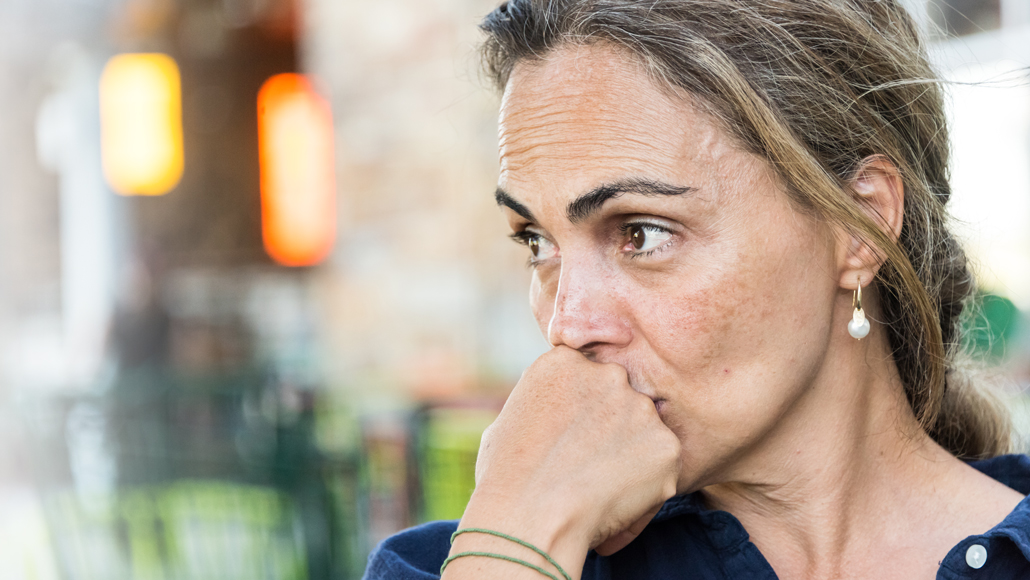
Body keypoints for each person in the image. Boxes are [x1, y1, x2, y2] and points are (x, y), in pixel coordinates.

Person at [364, 1, 1030, 578]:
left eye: (643, 234)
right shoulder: (463, 564)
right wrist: (522, 534)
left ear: (860, 226)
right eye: (537, 243)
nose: (568, 325)